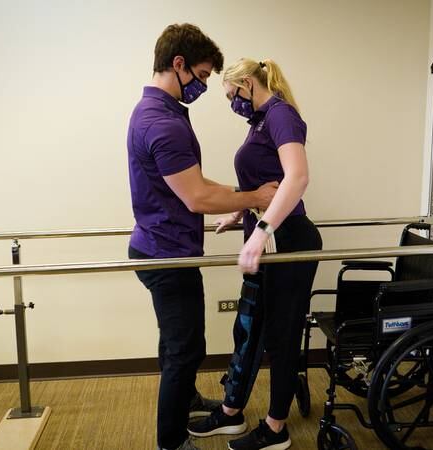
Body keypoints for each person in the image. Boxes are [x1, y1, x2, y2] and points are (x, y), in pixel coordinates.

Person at [127, 26, 279, 450]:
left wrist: (238, 198)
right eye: (203, 73)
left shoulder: (158, 111)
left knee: (176, 342)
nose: (205, 84)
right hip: (166, 256)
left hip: (159, 245)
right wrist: (254, 196)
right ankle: (172, 442)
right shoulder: (162, 122)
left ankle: (186, 398)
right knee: (184, 349)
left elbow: (193, 182)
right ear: (178, 64)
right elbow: (195, 197)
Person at [187, 58, 322, 450]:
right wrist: (240, 213)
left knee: (281, 336)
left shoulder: (281, 115)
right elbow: (265, 182)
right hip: (266, 242)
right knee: (248, 329)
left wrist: (262, 230)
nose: (232, 104)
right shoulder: (259, 121)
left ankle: (276, 429)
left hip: (290, 241)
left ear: (247, 83)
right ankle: (232, 412)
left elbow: (297, 178)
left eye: (232, 95)